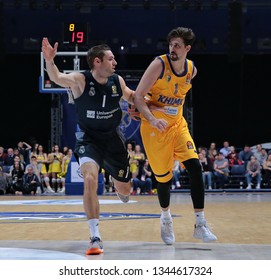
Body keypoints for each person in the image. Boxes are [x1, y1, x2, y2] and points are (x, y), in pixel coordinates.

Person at [42, 38, 135, 255]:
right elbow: (56, 77)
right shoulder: (80, 80)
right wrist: (49, 61)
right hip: (89, 139)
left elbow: (132, 96)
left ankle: (116, 176)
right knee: (90, 179)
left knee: (125, 191)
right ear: (97, 62)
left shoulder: (117, 81)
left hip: (113, 139)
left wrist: (149, 104)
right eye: (111, 59)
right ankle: (95, 237)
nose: (115, 63)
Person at [133, 27, 217, 245]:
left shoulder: (192, 70)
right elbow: (138, 97)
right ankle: (166, 218)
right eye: (171, 44)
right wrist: (151, 118)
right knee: (164, 178)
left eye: (177, 45)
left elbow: (177, 97)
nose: (172, 48)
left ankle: (200, 223)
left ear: (187, 48)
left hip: (178, 125)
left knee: (195, 167)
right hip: (155, 127)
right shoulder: (159, 65)